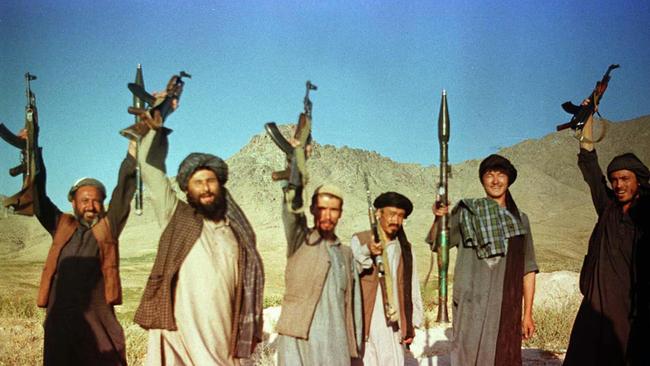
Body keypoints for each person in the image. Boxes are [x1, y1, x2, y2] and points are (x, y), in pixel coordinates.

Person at [133, 127, 264, 365]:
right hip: (181, 332)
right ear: (187, 188)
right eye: (198, 182)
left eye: (210, 181)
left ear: (220, 185)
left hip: (223, 330)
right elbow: (150, 169)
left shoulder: (237, 232)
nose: (205, 188)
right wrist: (155, 125)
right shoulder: (176, 216)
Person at [429, 154, 538, 366]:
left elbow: (528, 269)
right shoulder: (465, 212)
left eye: (501, 175)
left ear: (509, 180)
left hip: (505, 308)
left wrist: (527, 314)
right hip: (471, 306)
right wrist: (438, 218)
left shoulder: (521, 220)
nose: (495, 180)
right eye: (490, 175)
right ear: (482, 180)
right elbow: (438, 243)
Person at [35, 139, 137, 365]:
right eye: (85, 201)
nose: (91, 206)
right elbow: (38, 198)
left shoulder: (108, 228)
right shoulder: (61, 225)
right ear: (73, 202)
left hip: (99, 321)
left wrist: (132, 153)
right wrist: (32, 151)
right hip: (61, 322)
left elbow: (124, 190)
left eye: (97, 201)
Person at [563, 109, 649, 366]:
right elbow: (589, 162)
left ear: (639, 181)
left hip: (631, 309)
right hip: (595, 306)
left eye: (625, 179)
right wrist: (589, 113)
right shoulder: (607, 207)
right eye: (614, 180)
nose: (619, 185)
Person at [276, 182, 362, 365]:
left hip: (335, 344)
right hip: (297, 341)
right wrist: (296, 167)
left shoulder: (346, 254)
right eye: (321, 208)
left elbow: (353, 305)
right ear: (312, 209)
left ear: (341, 213)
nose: (327, 216)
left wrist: (355, 348)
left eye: (333, 210)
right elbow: (291, 211)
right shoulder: (299, 241)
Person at [350, 191, 424, 366]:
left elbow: (412, 286)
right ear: (378, 214)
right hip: (365, 322)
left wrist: (412, 323)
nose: (395, 220)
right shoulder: (359, 239)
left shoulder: (405, 249)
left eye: (400, 216)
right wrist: (368, 250)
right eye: (391, 214)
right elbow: (352, 270)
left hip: (393, 324)